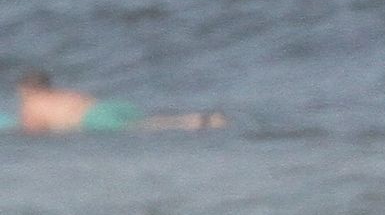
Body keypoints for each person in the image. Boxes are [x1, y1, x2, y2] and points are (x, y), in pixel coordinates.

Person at [10, 70, 226, 134]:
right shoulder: (63, 94)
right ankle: (197, 118)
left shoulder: (32, 104)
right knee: (149, 120)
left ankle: (191, 123)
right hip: (110, 106)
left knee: (143, 127)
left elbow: (33, 129)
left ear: (26, 90)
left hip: (93, 118)